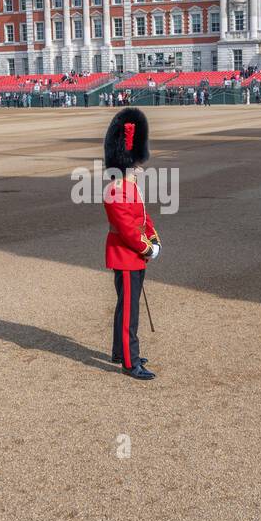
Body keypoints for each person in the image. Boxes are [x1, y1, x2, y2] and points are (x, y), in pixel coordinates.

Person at [103, 108, 159, 380]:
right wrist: (146, 247)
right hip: (126, 255)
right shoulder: (115, 190)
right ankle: (130, 361)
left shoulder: (131, 187)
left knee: (126, 304)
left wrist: (154, 238)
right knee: (129, 312)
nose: (140, 169)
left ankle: (119, 351)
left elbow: (143, 217)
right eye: (136, 164)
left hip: (134, 254)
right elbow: (126, 228)